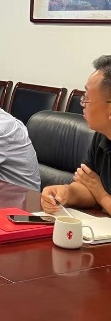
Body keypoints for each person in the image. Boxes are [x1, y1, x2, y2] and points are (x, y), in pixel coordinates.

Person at [41, 56, 111, 214]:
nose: (83, 104)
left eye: (87, 99)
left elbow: (97, 191)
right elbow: (89, 188)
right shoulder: (102, 136)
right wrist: (66, 193)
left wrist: (102, 195)